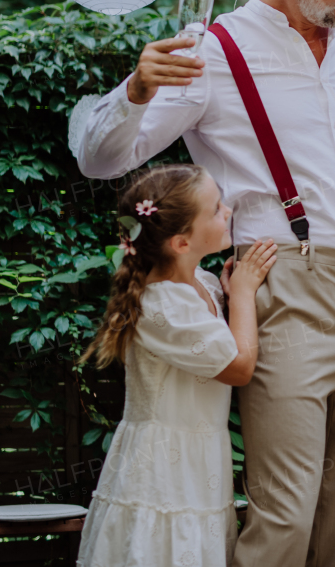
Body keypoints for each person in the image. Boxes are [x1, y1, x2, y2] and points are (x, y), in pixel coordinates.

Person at [76, 0, 335, 566]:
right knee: (286, 510)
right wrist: (136, 90)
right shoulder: (215, 52)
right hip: (287, 285)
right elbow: (101, 158)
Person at [76, 164, 278, 567]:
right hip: (163, 467)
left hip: (199, 459)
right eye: (216, 209)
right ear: (182, 243)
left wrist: (225, 293)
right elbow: (238, 368)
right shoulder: (162, 305)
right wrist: (242, 293)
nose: (228, 211)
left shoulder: (199, 284)